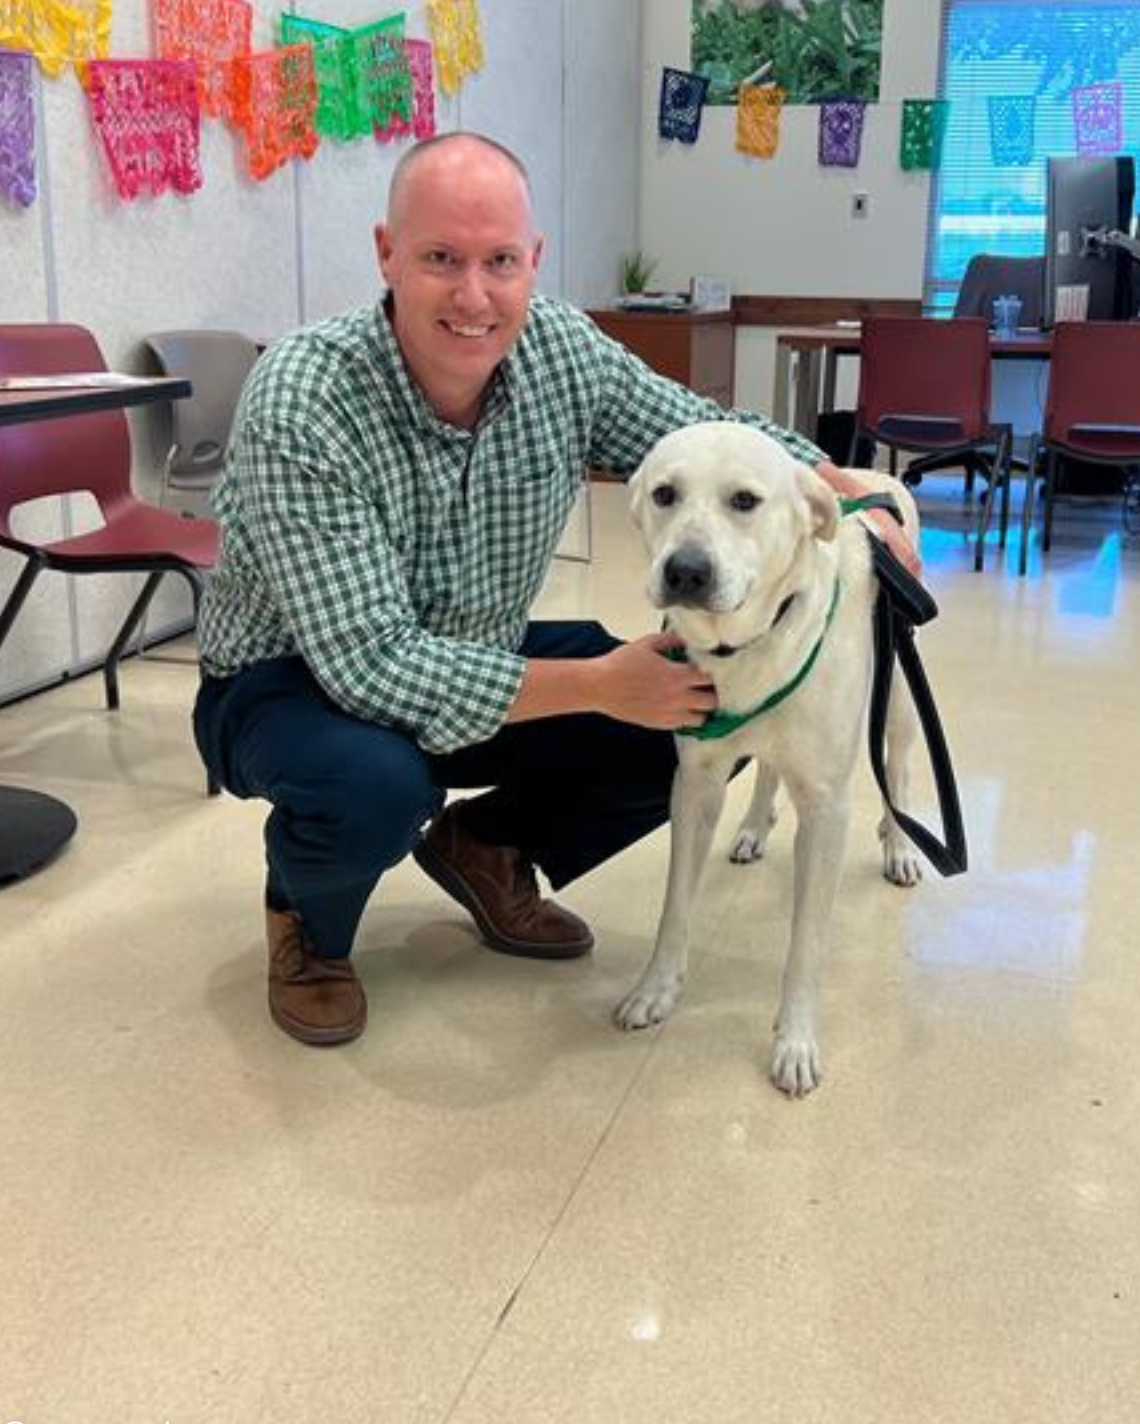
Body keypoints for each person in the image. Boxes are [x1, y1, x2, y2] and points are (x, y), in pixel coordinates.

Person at [194, 131, 916, 1047]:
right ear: (387, 254)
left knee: (701, 711)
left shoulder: (560, 352)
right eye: (440, 259)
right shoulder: (303, 395)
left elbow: (704, 430)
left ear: (533, 261)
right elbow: (369, 666)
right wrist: (600, 685)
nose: (473, 295)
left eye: (500, 261)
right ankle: (306, 925)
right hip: (288, 686)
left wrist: (844, 486)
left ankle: (489, 849)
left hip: (475, 655)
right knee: (379, 778)